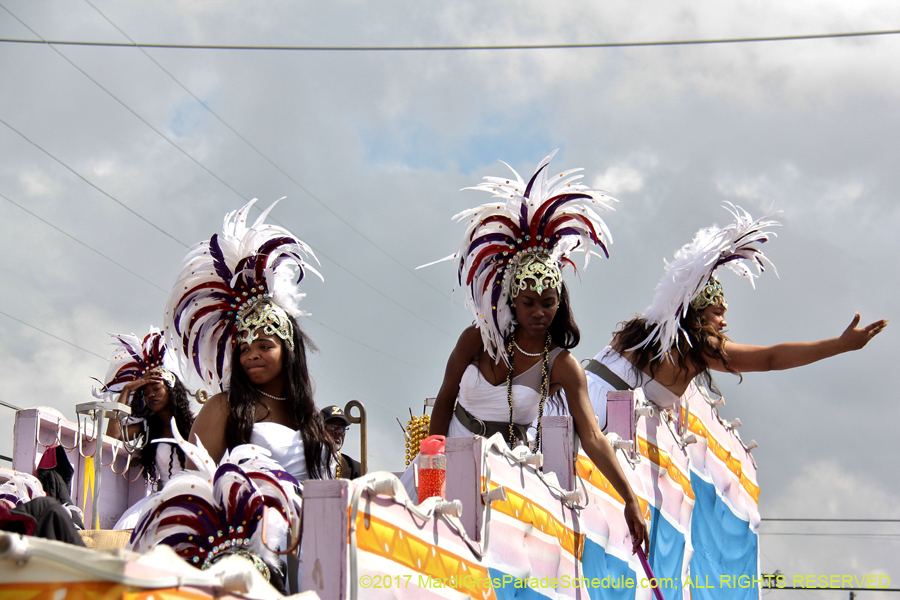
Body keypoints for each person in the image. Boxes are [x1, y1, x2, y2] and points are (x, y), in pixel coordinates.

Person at [425, 151, 648, 554]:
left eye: (548, 302)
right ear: (511, 300)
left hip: (509, 474)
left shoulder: (563, 365)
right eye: (529, 302)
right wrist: (431, 471)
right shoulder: (475, 340)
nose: (539, 312)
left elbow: (593, 438)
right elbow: (444, 401)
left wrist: (630, 498)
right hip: (450, 459)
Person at [585, 204, 888, 423]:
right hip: (592, 427)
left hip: (566, 405)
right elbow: (770, 358)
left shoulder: (640, 331)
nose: (724, 321)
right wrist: (841, 345)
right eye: (717, 312)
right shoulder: (695, 347)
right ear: (695, 313)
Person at [167, 198, 333, 483]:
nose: (252, 355)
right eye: (244, 348)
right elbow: (192, 487)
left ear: (289, 349)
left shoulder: (309, 416)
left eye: (265, 346)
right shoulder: (223, 407)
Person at [95, 328, 195, 487]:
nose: (151, 395)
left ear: (171, 390)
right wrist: (127, 390)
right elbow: (112, 436)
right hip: (162, 499)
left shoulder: (195, 422)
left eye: (156, 389)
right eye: (145, 393)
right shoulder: (147, 426)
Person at [320, 405, 362, 480]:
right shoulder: (304, 457)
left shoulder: (354, 469)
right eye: (331, 426)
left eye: (342, 428)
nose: (338, 431)